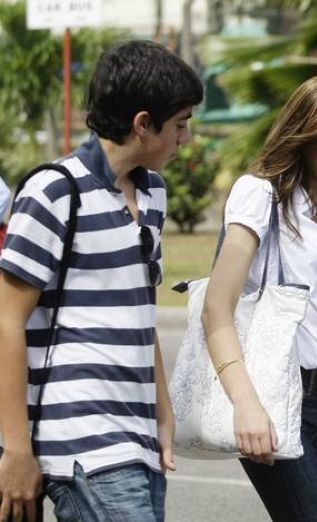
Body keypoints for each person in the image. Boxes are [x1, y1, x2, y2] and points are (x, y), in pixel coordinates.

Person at [0, 40, 202, 522]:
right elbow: (7, 322)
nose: (186, 139)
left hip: (137, 437)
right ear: (142, 124)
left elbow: (139, 311)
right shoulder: (54, 191)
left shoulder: (153, 192)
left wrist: (163, 411)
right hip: (80, 443)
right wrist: (17, 451)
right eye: (180, 125)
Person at [201, 74, 317, 522]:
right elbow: (216, 310)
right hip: (277, 392)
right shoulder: (259, 194)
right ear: (305, 136)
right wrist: (246, 404)